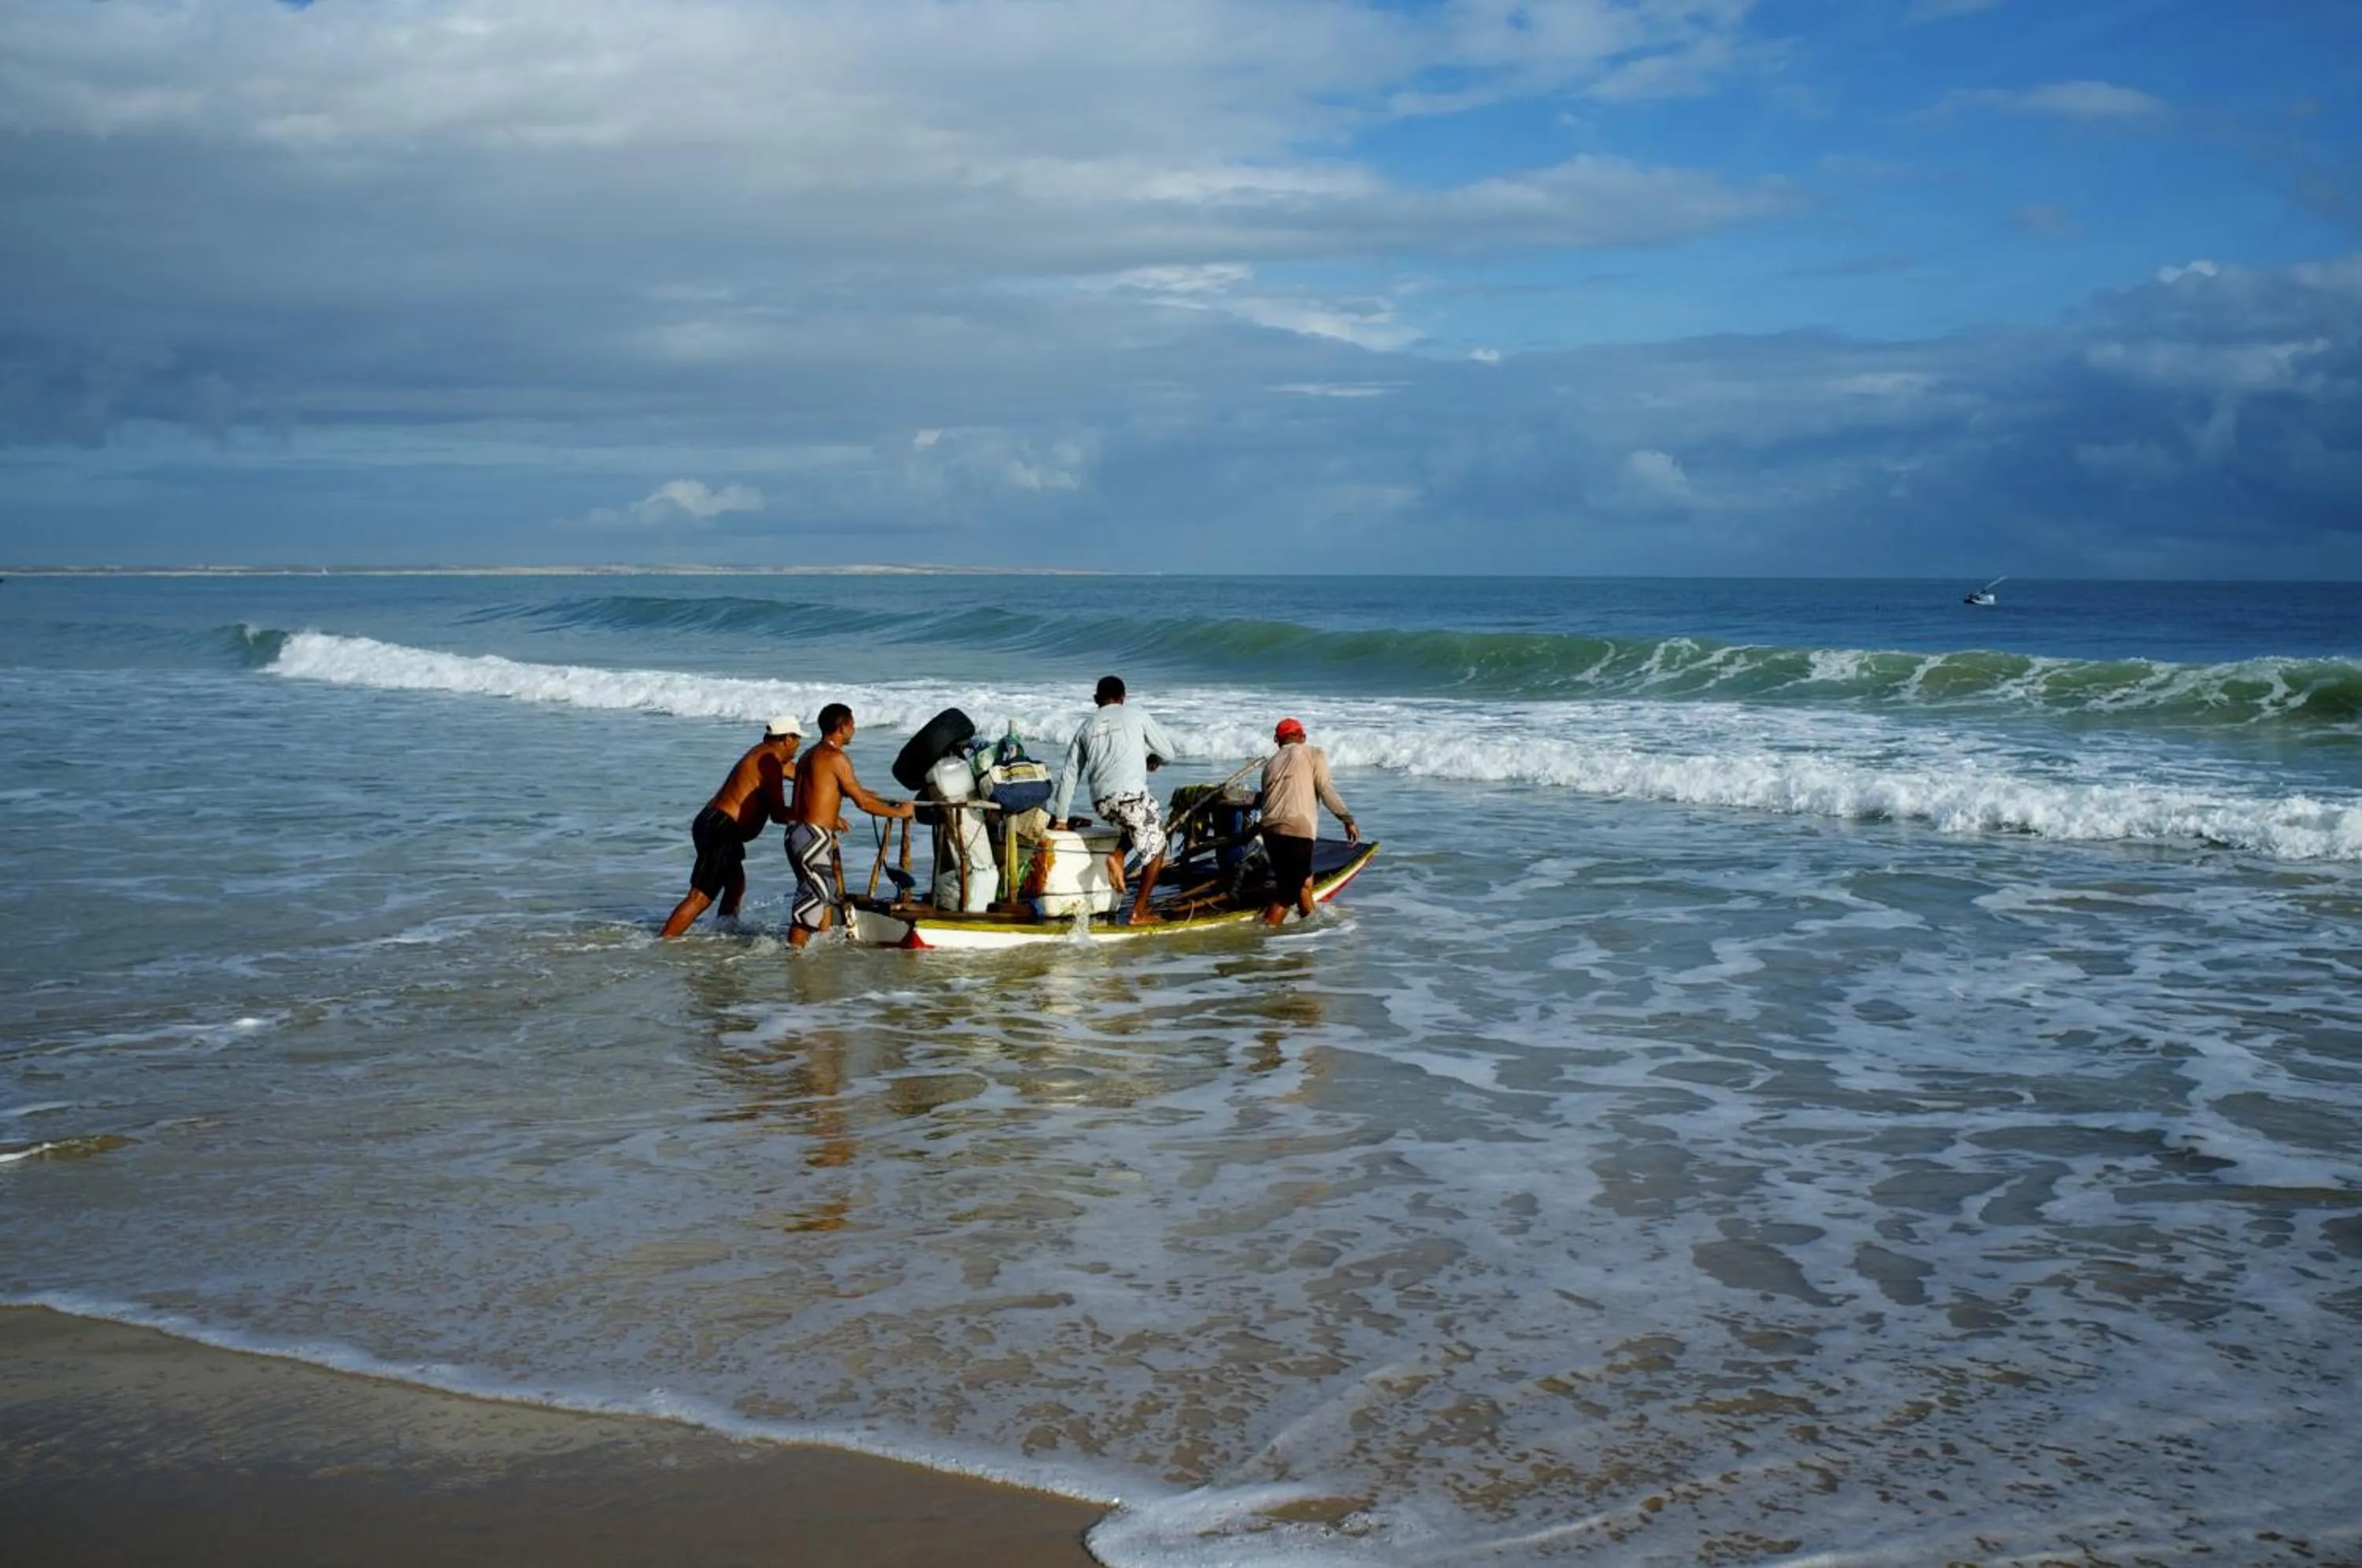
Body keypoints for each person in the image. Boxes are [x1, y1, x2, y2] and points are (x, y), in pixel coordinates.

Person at [1046, 675, 1180, 925]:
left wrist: (1062, 818)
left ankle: (1117, 856)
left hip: (1102, 803)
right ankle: (1139, 912)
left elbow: (1069, 774)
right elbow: (1168, 753)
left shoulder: (1085, 728)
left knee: (1136, 825)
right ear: (1123, 697)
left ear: (1097, 700)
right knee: (1158, 846)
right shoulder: (1137, 715)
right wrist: (1154, 759)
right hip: (1131, 796)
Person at [785, 703, 916, 949]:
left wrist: (867, 795)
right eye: (852, 725)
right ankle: (793, 960)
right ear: (841, 727)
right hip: (814, 837)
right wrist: (900, 813)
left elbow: (823, 790)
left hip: (797, 832)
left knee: (823, 897)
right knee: (810, 902)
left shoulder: (809, 755)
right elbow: (863, 804)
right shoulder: (836, 758)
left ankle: (818, 953)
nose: (854, 730)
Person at [661, 716, 803, 939]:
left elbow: (800, 773)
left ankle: (725, 930)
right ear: (787, 739)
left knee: (736, 883)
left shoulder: (765, 754)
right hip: (722, 827)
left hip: (714, 823)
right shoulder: (769, 762)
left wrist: (841, 785)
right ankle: (662, 944)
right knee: (701, 896)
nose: (798, 746)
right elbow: (778, 814)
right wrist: (816, 817)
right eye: (798, 740)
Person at [1257, 716, 1358, 926]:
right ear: (1303, 736)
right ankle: (1265, 937)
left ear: (1278, 740)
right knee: (1287, 893)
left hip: (1269, 829)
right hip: (1296, 830)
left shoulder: (1270, 764)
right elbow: (1325, 788)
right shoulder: (1314, 753)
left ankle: (1310, 928)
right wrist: (1346, 819)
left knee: (1302, 881)